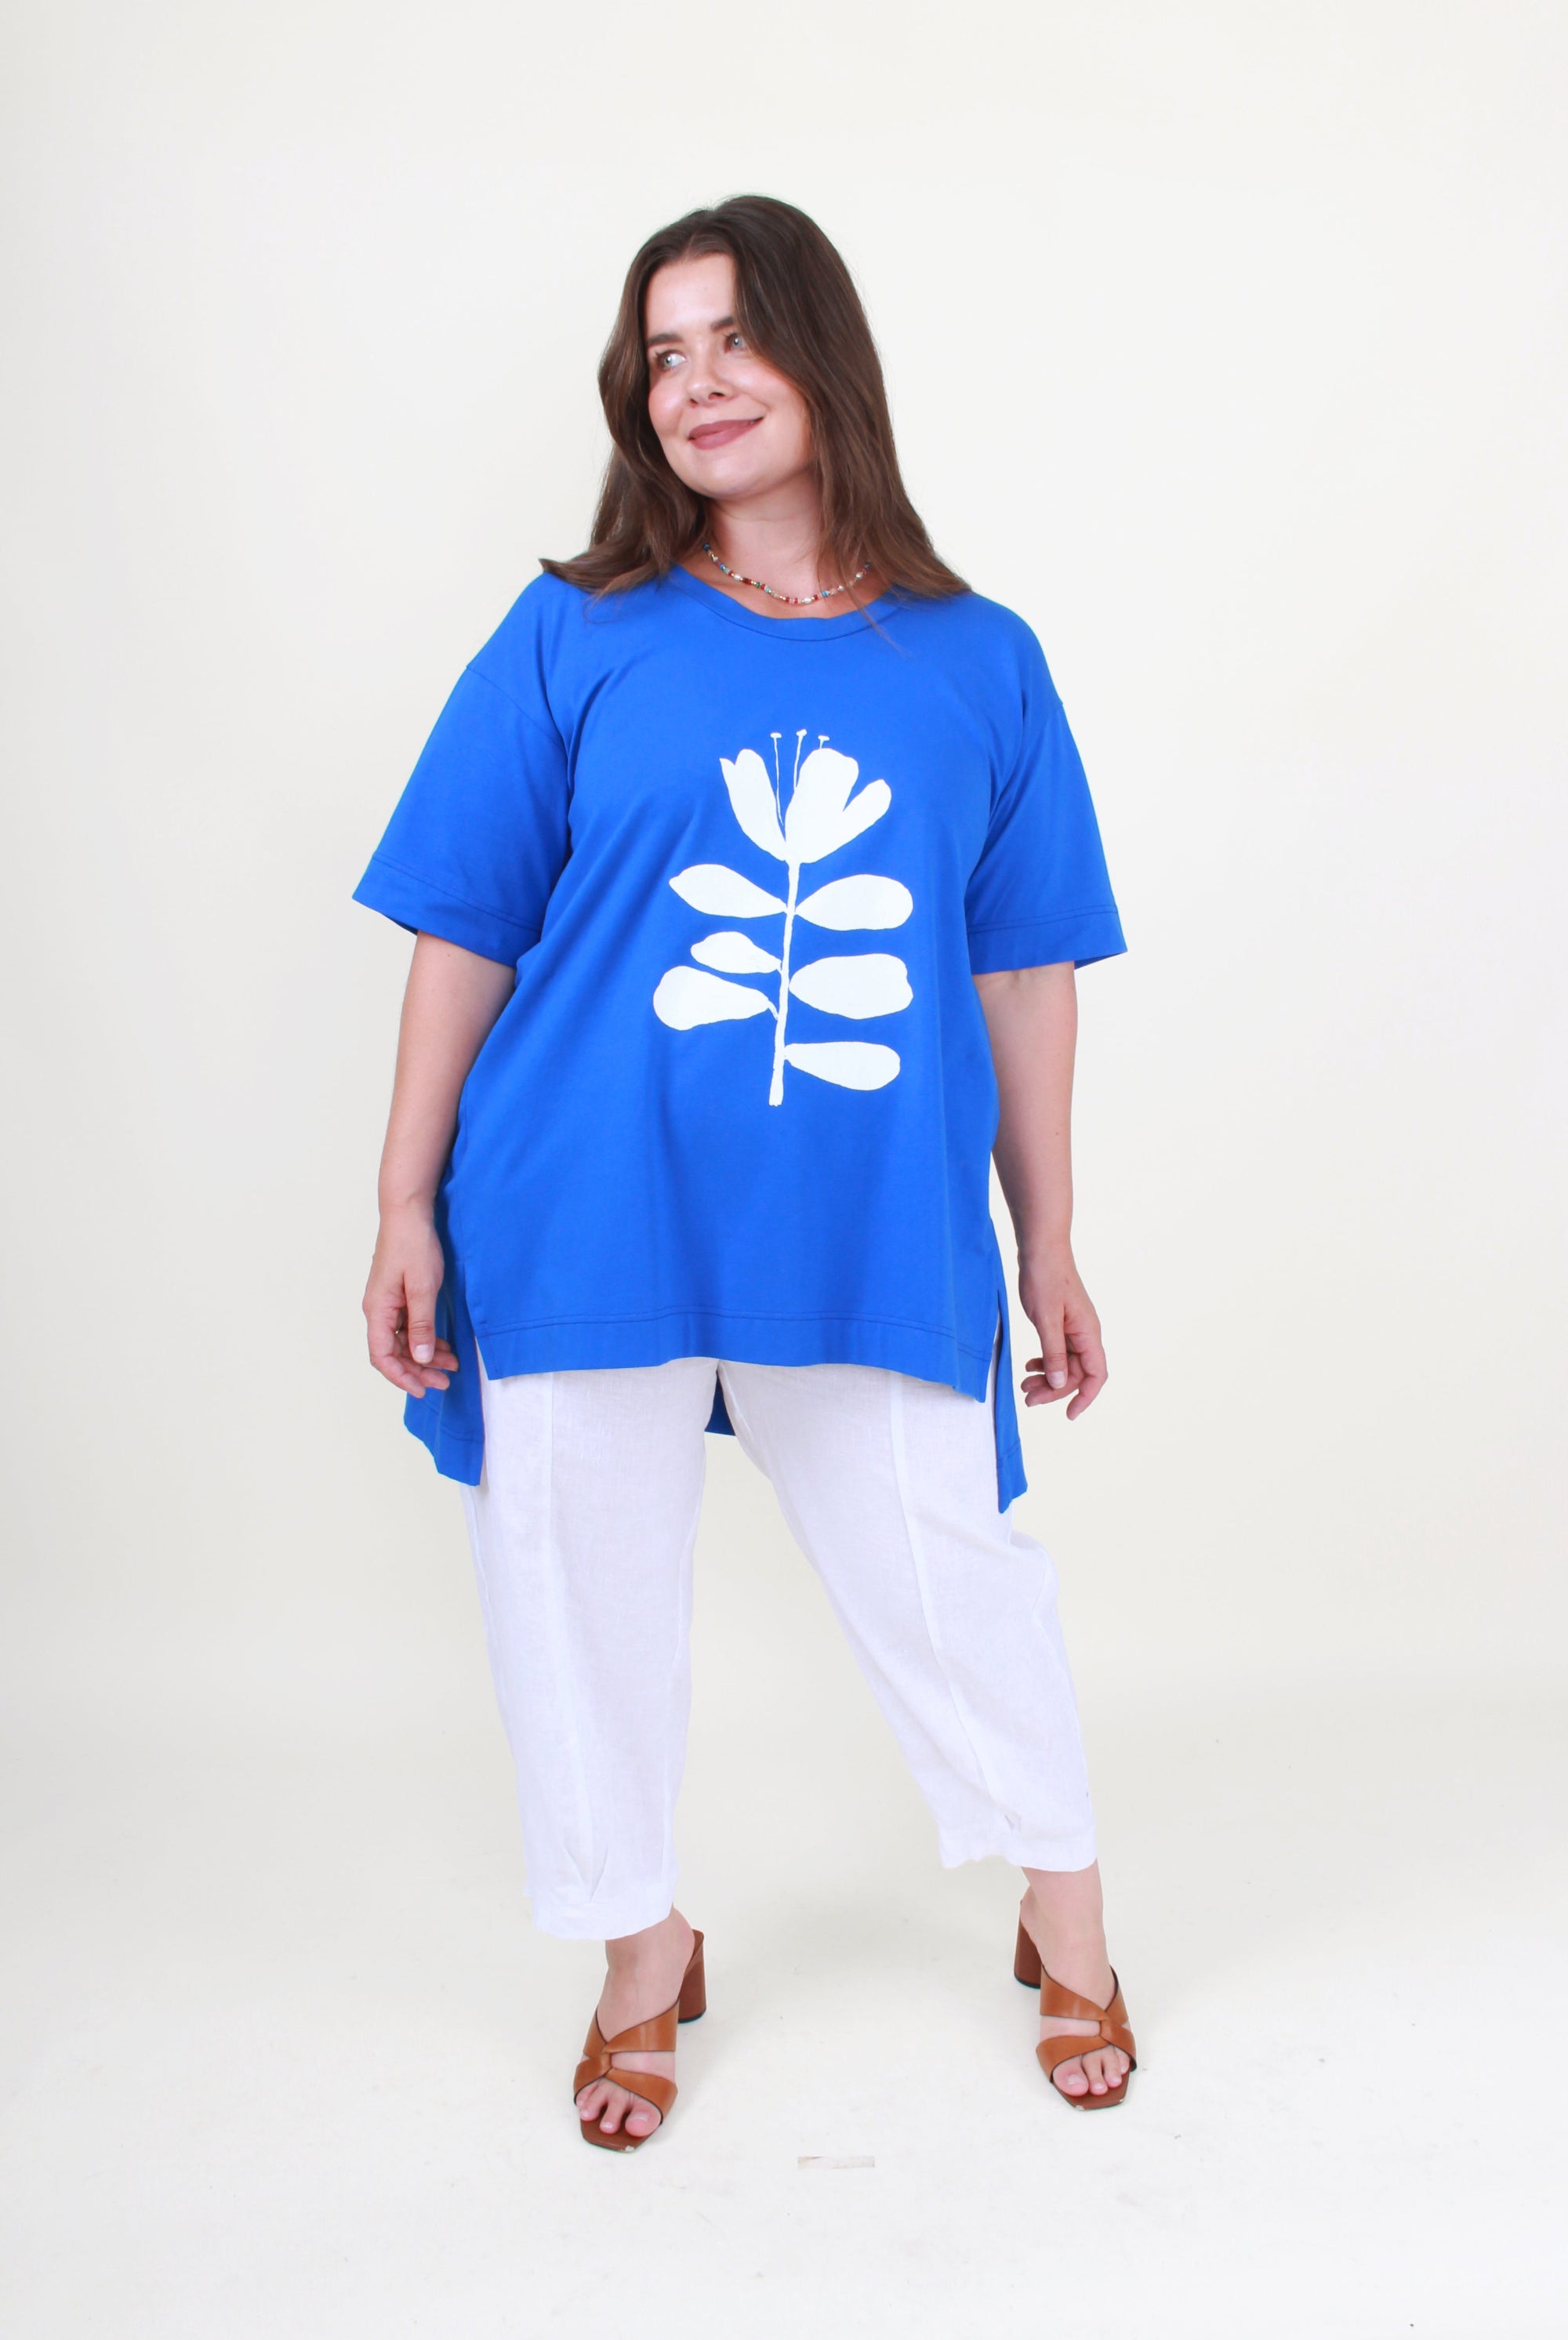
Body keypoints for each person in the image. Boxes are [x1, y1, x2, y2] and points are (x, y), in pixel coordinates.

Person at [354, 195, 1136, 2151]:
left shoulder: (979, 658)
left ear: (820, 354)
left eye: (731, 338)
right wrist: (401, 1201)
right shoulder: (577, 629)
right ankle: (641, 1946)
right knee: (570, 1588)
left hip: (861, 1213)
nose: (693, 383)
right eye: (661, 354)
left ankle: (1066, 1910)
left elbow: (1021, 969)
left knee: (948, 1567)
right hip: (578, 1197)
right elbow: (463, 921)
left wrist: (1047, 1234)